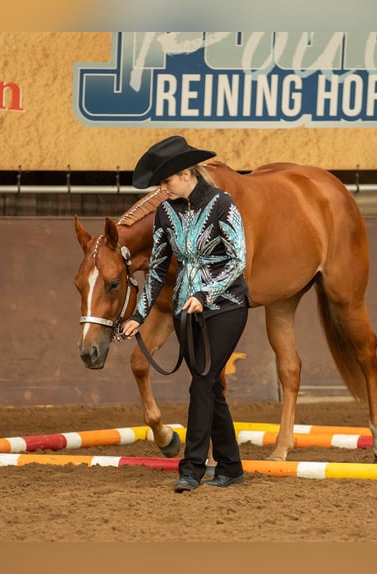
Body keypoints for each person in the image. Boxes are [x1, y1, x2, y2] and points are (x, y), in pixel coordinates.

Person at [121, 135, 250, 493]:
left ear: (186, 173)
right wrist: (138, 315)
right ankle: (231, 467)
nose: (162, 189)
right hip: (185, 310)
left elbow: (238, 259)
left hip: (226, 305)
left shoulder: (223, 204)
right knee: (209, 387)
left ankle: (192, 467)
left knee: (202, 382)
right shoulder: (165, 211)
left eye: (166, 181)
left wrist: (205, 293)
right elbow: (158, 269)